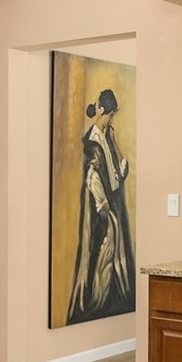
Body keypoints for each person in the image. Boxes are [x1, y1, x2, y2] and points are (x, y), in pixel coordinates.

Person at [67, 88, 135, 324]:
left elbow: (122, 170)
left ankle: (111, 303)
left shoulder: (106, 138)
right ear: (103, 112)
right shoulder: (92, 143)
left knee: (116, 259)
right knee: (103, 260)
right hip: (103, 213)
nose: (112, 120)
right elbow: (92, 177)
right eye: (111, 115)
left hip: (114, 207)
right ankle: (96, 303)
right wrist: (104, 207)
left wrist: (115, 142)